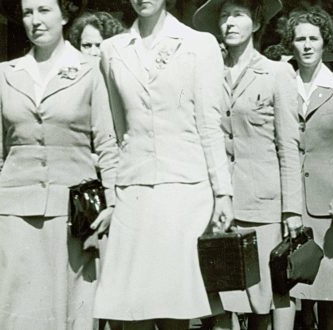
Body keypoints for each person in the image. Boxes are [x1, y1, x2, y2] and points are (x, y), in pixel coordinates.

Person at [0, 0, 117, 328]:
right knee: (16, 313)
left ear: (65, 14)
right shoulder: (5, 74)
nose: (35, 20)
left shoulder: (89, 70)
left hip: (72, 216)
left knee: (69, 311)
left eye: (44, 10)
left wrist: (114, 202)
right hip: (13, 212)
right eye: (27, 12)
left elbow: (107, 143)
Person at [91, 0, 233, 329]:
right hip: (134, 191)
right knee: (132, 310)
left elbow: (209, 126)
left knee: (174, 308)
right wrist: (113, 193)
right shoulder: (111, 50)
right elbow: (115, 129)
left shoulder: (199, 44)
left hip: (184, 191)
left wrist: (222, 191)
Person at [192, 0, 302, 329]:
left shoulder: (277, 72)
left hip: (263, 205)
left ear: (255, 22)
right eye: (224, 16)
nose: (229, 23)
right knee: (219, 297)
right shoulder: (207, 74)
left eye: (237, 15)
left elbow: (288, 146)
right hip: (217, 203)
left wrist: (292, 209)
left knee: (268, 296)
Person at [279, 7, 333, 330]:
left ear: (324, 41)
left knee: (330, 294)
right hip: (290, 204)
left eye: (313, 38)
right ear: (291, 43)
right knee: (295, 294)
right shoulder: (281, 84)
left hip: (331, 208)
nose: (306, 45)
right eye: (299, 38)